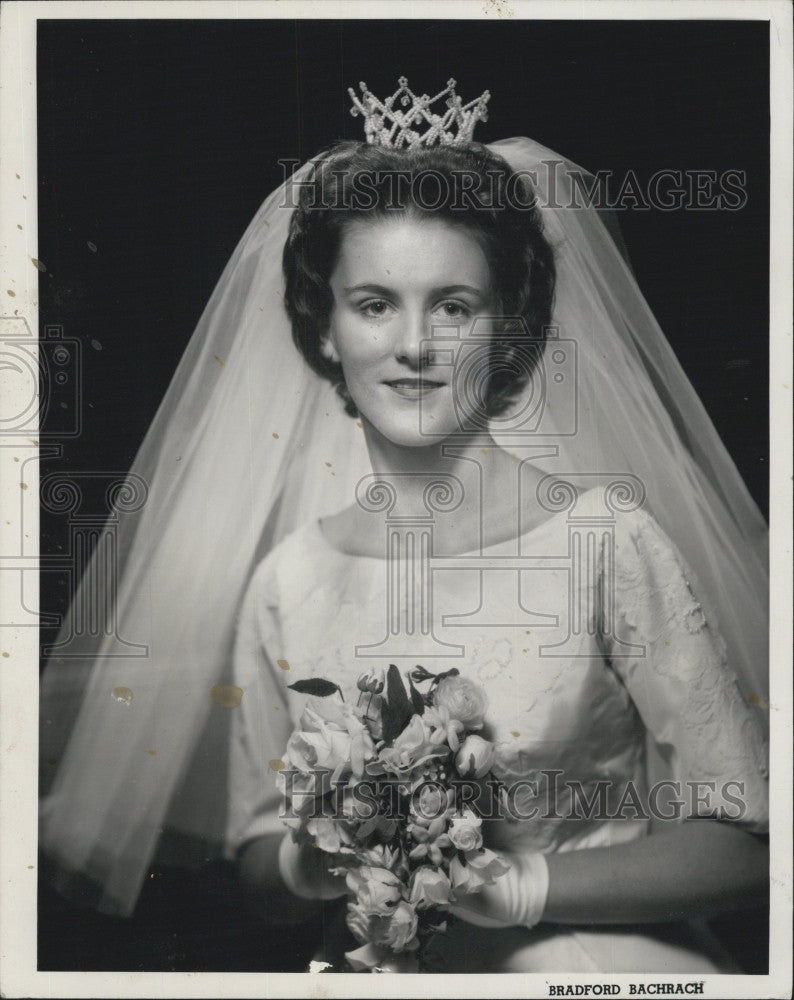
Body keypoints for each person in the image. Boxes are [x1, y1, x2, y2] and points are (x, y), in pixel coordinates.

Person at [39, 80, 769, 973]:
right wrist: (323, 855)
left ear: (511, 328)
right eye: (375, 303)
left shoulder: (605, 538)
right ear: (325, 328)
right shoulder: (289, 578)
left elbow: (750, 841)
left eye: (454, 306)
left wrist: (515, 890)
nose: (413, 345)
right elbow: (258, 870)